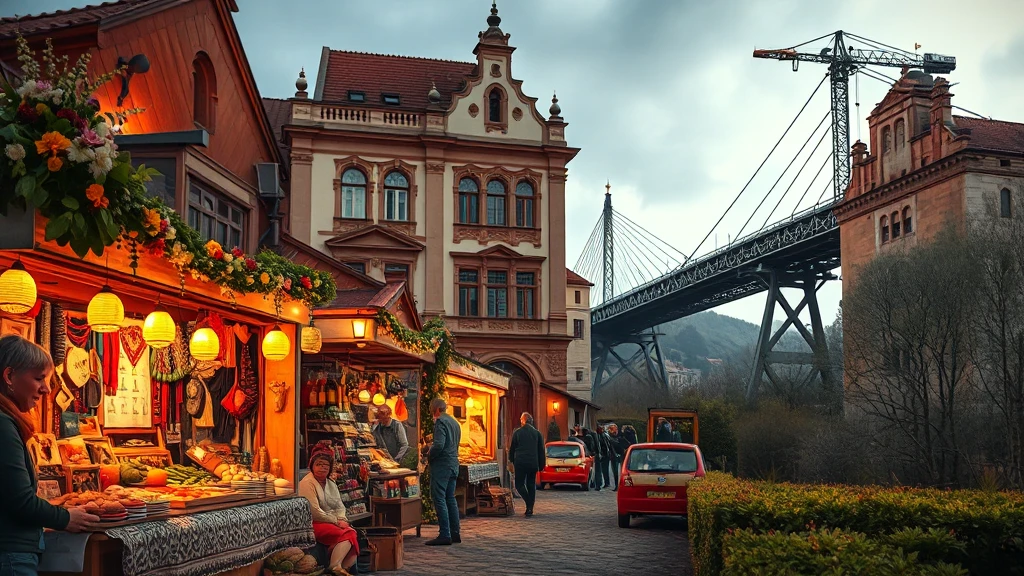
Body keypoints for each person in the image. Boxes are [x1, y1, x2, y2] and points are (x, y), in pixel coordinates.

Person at [0, 335, 98, 576]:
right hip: (11, 554)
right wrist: (65, 518)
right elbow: (21, 502)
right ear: (9, 376)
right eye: (38, 378)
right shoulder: (3, 426)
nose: (45, 389)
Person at [298, 442, 359, 574]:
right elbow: (314, 512)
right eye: (319, 464)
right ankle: (335, 566)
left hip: (332, 522)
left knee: (351, 533)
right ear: (312, 466)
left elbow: (339, 505)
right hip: (314, 523)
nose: (322, 468)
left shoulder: (331, 483)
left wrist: (342, 518)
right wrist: (337, 522)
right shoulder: (307, 483)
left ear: (330, 468)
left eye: (326, 465)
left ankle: (344, 568)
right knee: (349, 533)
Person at [425, 398, 461, 546]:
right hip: (453, 464)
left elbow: (439, 445)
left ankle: (445, 534)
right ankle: (455, 532)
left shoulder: (440, 422)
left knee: (439, 498)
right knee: (450, 498)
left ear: (437, 410)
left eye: (433, 411)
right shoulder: (455, 422)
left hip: (442, 465)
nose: (433, 415)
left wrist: (429, 454)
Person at [508, 412, 545, 517]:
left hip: (520, 463)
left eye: (521, 419)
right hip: (533, 463)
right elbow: (541, 451)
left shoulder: (517, 433)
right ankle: (530, 508)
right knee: (531, 484)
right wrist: (541, 465)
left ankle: (528, 502)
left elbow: (512, 449)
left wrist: (511, 460)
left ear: (523, 421)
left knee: (519, 485)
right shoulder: (537, 434)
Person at [607, 424, 626, 490]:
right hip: (614, 456)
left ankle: (620, 485)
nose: (615, 431)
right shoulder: (609, 437)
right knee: (615, 471)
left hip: (619, 455)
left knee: (621, 471)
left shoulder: (620, 437)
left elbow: (625, 444)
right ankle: (616, 485)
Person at [596, 425, 613, 490]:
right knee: (605, 469)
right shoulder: (605, 435)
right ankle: (607, 482)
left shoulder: (602, 436)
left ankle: (607, 482)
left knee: (604, 469)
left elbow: (605, 446)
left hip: (605, 455)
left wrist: (603, 454)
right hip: (606, 454)